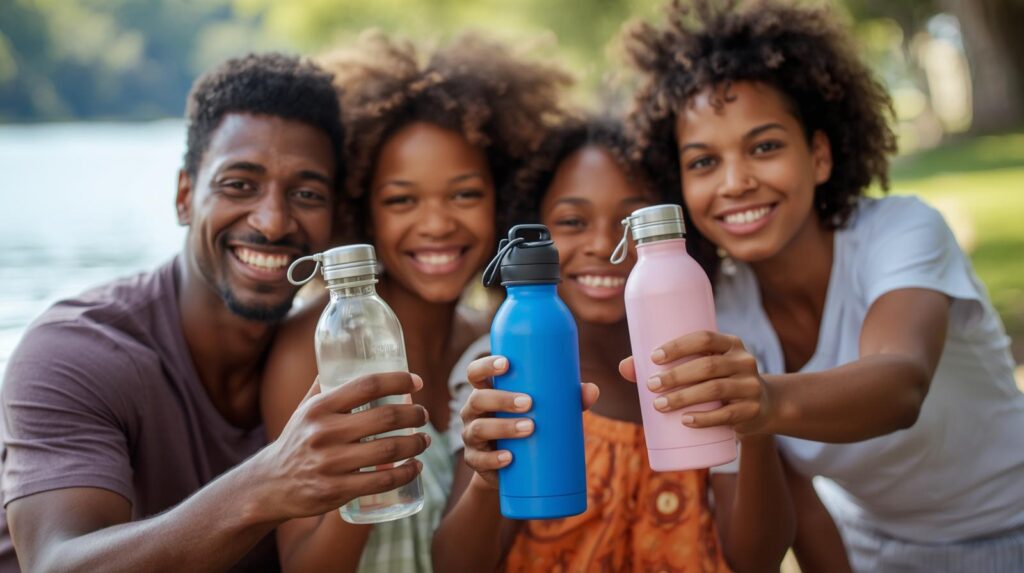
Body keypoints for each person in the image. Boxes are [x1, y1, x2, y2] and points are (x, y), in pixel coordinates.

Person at [621, 1, 1024, 570]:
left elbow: (900, 385)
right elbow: (797, 520)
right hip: (869, 550)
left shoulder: (900, 232)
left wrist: (766, 400)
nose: (735, 182)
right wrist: (756, 427)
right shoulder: (712, 308)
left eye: (764, 147)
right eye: (704, 161)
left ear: (821, 155)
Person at [0, 53, 430, 572]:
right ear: (185, 196)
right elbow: (55, 565)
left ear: (335, 217)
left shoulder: (340, 342)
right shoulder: (74, 351)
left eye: (306, 193)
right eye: (239, 185)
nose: (272, 222)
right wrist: (269, 483)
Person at [260, 32, 572, 572]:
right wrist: (364, 463)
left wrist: (487, 468)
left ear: (503, 199)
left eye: (464, 194)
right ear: (362, 211)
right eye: (402, 200)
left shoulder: (494, 343)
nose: (436, 224)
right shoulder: (312, 346)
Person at [433, 118, 797, 572]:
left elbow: (757, 559)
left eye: (628, 223)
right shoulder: (499, 368)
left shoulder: (704, 360)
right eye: (572, 221)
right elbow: (457, 566)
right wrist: (487, 483)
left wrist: (758, 427)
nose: (604, 244)